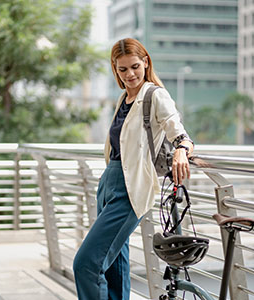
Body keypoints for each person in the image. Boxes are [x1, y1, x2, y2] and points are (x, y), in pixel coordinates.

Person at [73, 38, 194, 300]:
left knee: (87, 264)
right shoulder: (124, 99)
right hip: (109, 183)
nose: (130, 74)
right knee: (115, 265)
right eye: (123, 69)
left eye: (135, 66)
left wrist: (182, 150)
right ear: (115, 70)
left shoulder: (155, 95)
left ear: (146, 62)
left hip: (130, 189)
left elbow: (179, 132)